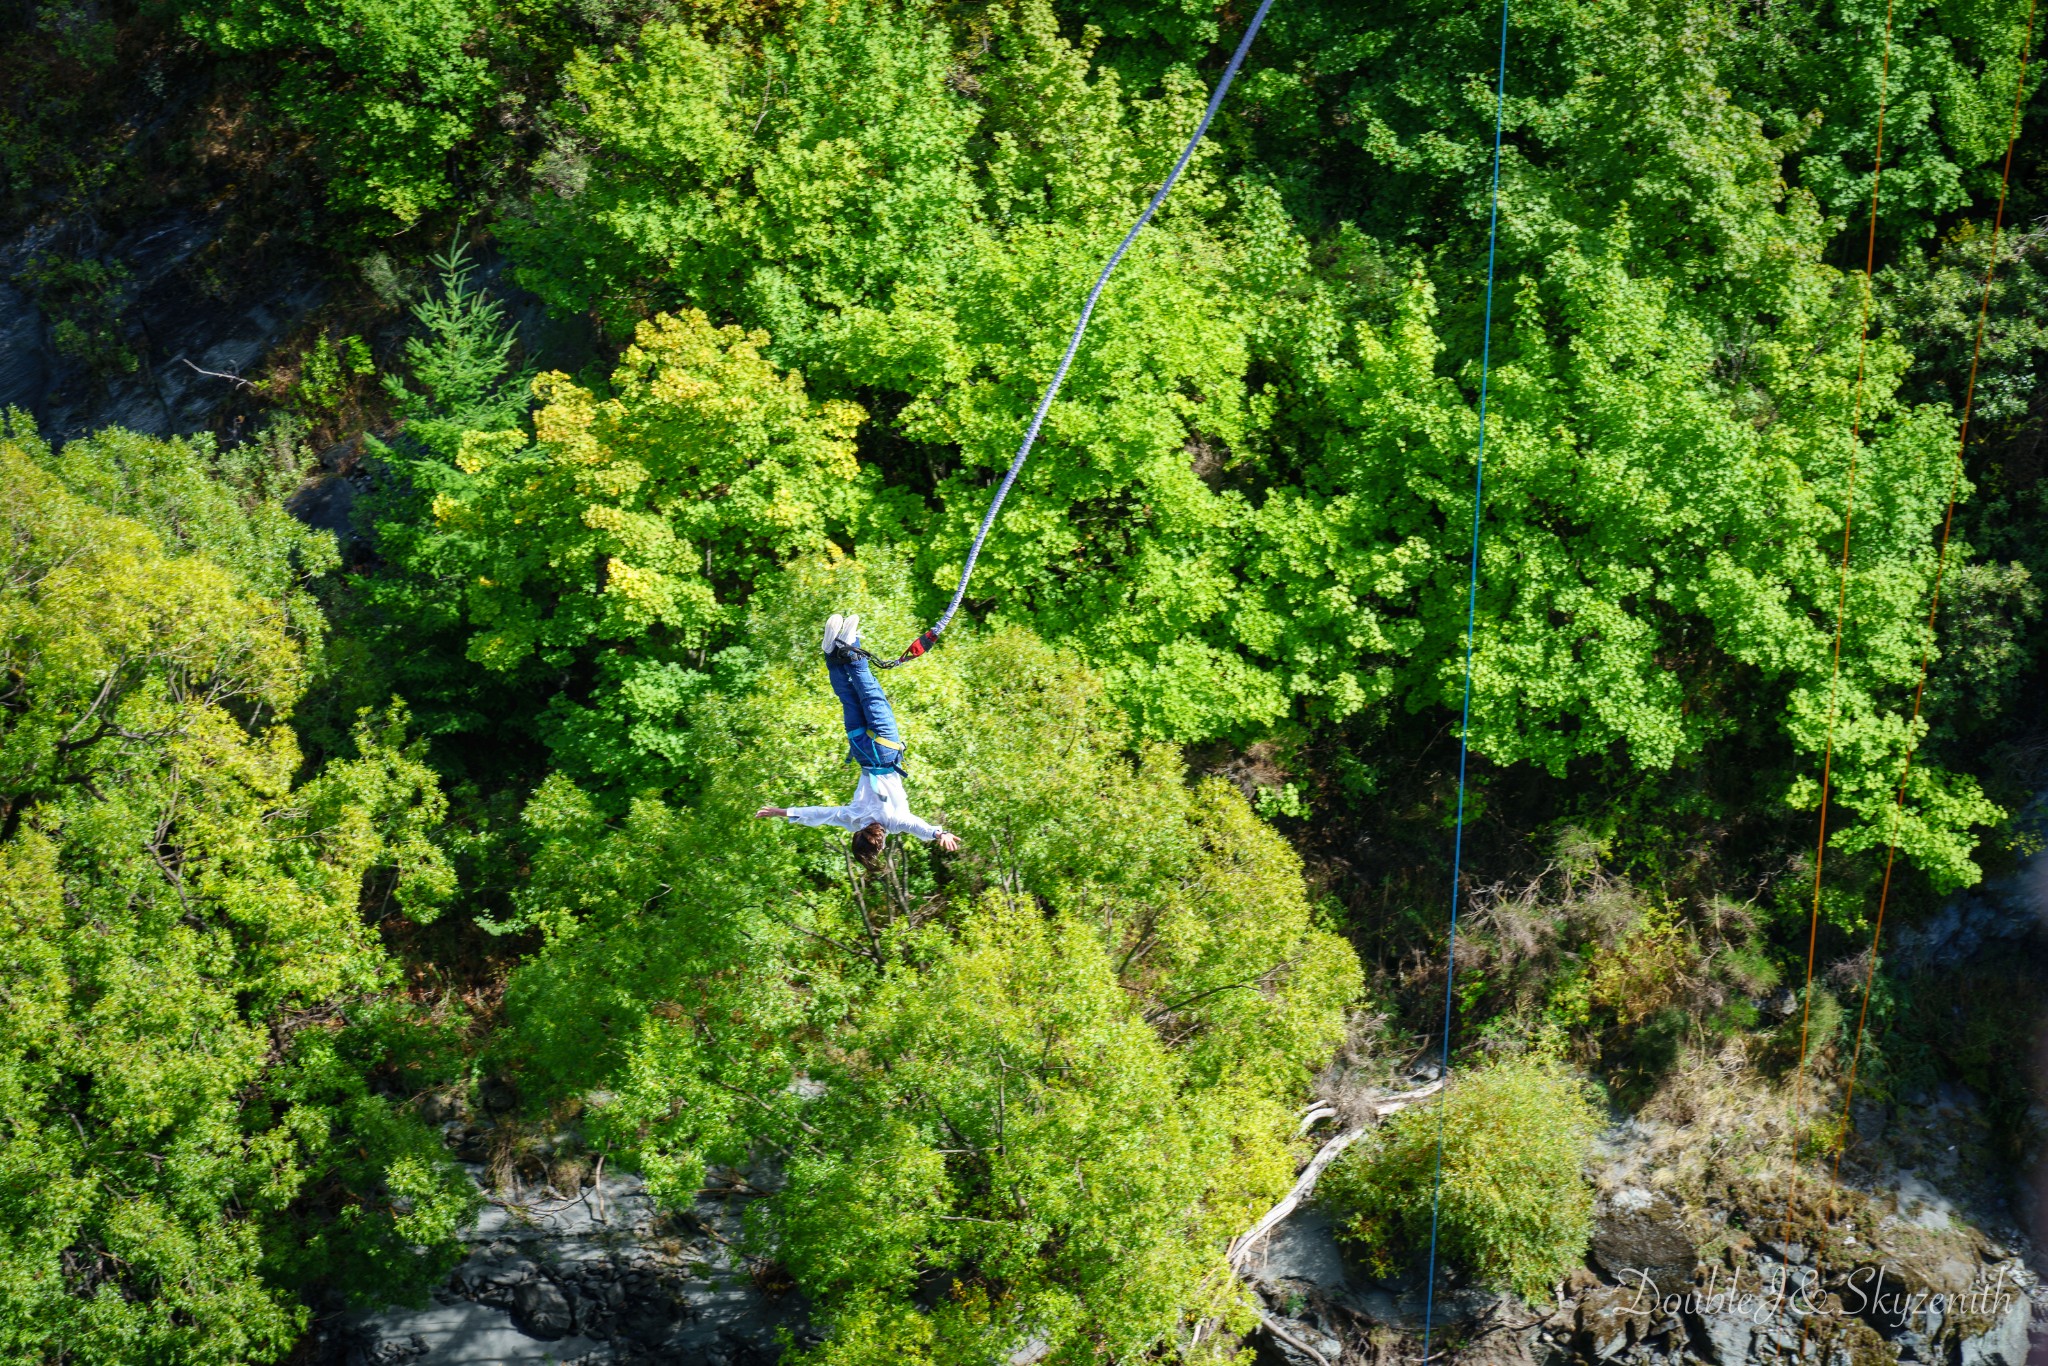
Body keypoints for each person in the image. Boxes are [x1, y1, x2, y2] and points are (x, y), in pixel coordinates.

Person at [755, 613, 961, 862]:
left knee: (871, 694)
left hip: (884, 752)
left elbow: (919, 827)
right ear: (857, 837)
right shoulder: (852, 819)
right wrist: (782, 812)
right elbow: (821, 814)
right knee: (849, 696)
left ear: (881, 844)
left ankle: (853, 646)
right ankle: (832, 653)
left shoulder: (894, 822)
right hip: (861, 751)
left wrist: (940, 833)